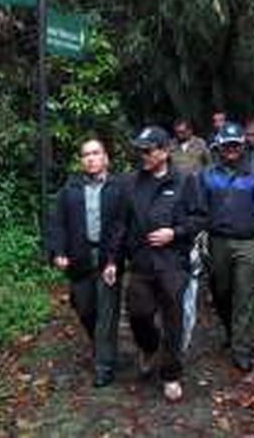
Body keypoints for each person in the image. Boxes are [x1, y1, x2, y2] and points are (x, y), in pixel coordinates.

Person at [104, 125, 202, 402]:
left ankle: (171, 374)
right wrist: (112, 259)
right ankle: (148, 347)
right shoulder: (131, 183)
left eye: (147, 150)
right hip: (142, 263)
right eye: (139, 150)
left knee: (174, 321)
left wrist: (176, 232)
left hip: (173, 264)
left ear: (164, 151)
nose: (143, 155)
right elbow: (121, 225)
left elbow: (199, 219)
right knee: (139, 314)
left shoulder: (184, 181)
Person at [195, 122, 254, 372]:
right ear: (219, 147)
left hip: (248, 242)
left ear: (242, 146)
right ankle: (232, 332)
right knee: (221, 292)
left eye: (236, 145)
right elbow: (198, 210)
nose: (231, 149)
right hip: (217, 241)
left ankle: (241, 348)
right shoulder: (207, 175)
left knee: (244, 294)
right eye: (227, 145)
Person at [48, 138, 124, 388]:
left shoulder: (118, 188)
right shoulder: (70, 189)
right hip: (79, 258)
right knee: (83, 307)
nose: (90, 158)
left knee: (107, 313)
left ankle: (104, 366)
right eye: (85, 155)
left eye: (95, 153)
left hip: (107, 258)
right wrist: (58, 251)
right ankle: (103, 345)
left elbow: (121, 227)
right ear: (81, 161)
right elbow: (57, 222)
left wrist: (114, 259)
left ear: (105, 158)